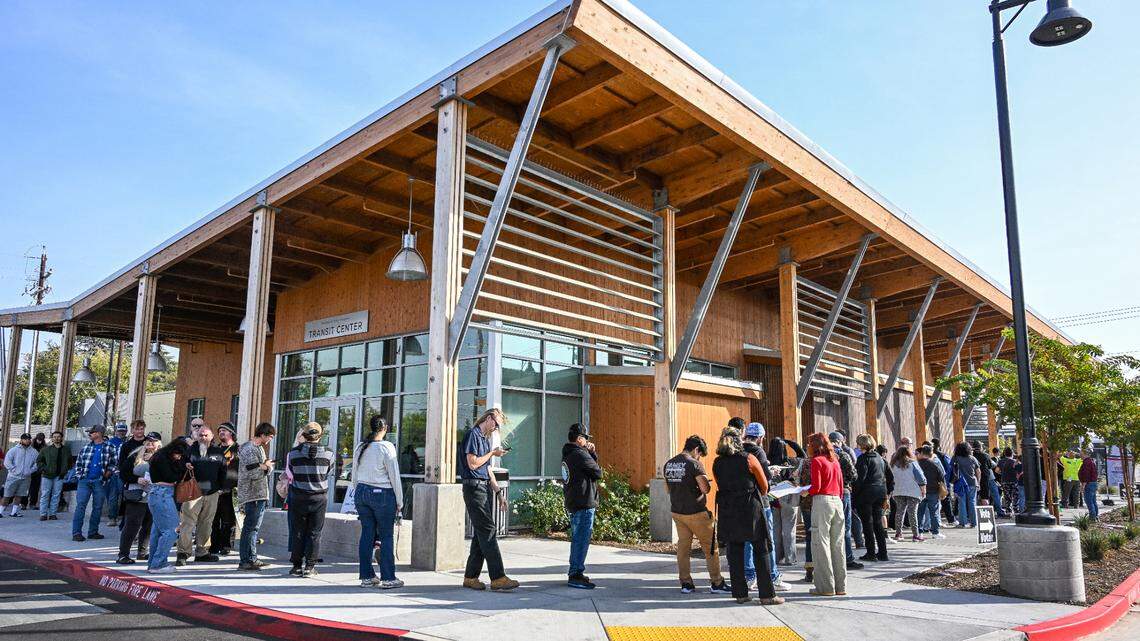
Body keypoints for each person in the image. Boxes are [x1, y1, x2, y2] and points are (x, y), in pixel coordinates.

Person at [712, 427, 783, 606]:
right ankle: (767, 595)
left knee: (734, 551)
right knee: (762, 549)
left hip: (728, 509)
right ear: (740, 441)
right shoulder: (749, 459)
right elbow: (764, 486)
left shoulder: (717, 462)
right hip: (750, 507)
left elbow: (721, 484)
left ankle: (740, 594)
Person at [459, 408, 519, 592]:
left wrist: (499, 493)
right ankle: (498, 577)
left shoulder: (484, 439)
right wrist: (492, 454)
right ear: (489, 418)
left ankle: (470, 577)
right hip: (473, 487)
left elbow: (487, 469)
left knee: (480, 533)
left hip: (482, 487)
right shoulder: (473, 434)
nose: (496, 429)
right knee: (488, 530)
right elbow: (473, 463)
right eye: (497, 424)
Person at [664, 435, 729, 594]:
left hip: (678, 512)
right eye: (700, 454)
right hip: (697, 513)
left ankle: (686, 583)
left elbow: (667, 489)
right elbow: (705, 489)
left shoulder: (669, 463)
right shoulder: (694, 464)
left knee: (683, 548)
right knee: (711, 548)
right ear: (696, 450)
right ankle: (717, 582)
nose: (699, 457)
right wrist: (704, 482)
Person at [352, 416, 403, 589]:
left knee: (367, 534)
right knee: (386, 535)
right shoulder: (387, 447)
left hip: (361, 492)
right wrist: (400, 500)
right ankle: (388, 578)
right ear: (385, 428)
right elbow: (394, 476)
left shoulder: (360, 447)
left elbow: (354, 474)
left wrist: (356, 492)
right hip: (382, 494)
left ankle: (367, 577)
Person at [738, 420, 789, 592]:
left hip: (743, 502)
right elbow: (764, 481)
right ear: (760, 437)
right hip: (761, 501)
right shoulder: (758, 452)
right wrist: (771, 472)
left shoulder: (739, 450)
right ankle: (773, 576)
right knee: (768, 541)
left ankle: (749, 576)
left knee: (747, 541)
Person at [286, 422, 333, 577]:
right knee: (314, 532)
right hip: (319, 497)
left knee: (298, 531)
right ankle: (310, 566)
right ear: (320, 436)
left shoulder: (293, 453)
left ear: (304, 436)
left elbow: (291, 472)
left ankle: (296, 566)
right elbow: (329, 472)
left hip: (299, 496)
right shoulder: (329, 454)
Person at [176, 422, 226, 566]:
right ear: (196, 436)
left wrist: (221, 488)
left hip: (212, 493)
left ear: (211, 436)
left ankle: (202, 552)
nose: (203, 437)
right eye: (200, 435)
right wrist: (184, 465)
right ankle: (183, 553)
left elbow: (223, 471)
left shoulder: (218, 452)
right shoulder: (189, 451)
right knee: (187, 523)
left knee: (206, 523)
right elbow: (180, 468)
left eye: (206, 435)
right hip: (192, 493)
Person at [805, 432, 846, 597]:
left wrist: (804, 492)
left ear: (814, 445)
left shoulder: (816, 461)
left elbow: (816, 487)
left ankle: (825, 587)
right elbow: (841, 486)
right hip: (837, 501)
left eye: (809, 444)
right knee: (838, 545)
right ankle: (840, 586)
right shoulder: (834, 460)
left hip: (822, 502)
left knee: (820, 545)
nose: (807, 446)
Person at [562, 423, 602, 589]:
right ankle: (575, 574)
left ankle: (576, 571)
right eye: (585, 438)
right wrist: (590, 452)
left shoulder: (568, 453)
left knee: (577, 539)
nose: (587, 441)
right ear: (579, 439)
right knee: (581, 540)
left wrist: (589, 452)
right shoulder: (580, 454)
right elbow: (597, 472)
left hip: (574, 501)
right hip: (584, 503)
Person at [145, 437, 190, 573]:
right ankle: (159, 563)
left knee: (158, 531)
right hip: (163, 493)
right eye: (179, 455)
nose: (179, 457)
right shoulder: (163, 459)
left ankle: (153, 562)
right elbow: (171, 477)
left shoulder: (160, 456)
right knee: (172, 530)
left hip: (158, 494)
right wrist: (183, 466)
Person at [236, 422, 276, 571]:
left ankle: (251, 558)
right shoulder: (249, 449)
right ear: (263, 434)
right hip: (252, 494)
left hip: (259, 493)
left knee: (253, 528)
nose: (270, 440)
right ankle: (246, 560)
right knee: (250, 528)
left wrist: (265, 466)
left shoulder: (258, 448)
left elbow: (261, 468)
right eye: (270, 436)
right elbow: (253, 473)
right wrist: (266, 467)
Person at [117, 432, 160, 564]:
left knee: (148, 525)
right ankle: (123, 554)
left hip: (153, 496)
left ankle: (142, 552)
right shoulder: (135, 455)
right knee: (132, 525)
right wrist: (136, 479)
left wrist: (153, 459)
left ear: (158, 444)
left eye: (153, 442)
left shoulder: (161, 457)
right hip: (136, 495)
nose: (150, 444)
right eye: (148, 441)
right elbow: (123, 473)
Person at [71, 426, 117, 541]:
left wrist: (109, 472)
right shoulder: (86, 447)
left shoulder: (110, 447)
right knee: (80, 506)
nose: (90, 434)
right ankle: (76, 533)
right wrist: (79, 475)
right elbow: (79, 462)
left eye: (92, 432)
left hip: (100, 481)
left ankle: (93, 531)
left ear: (99, 433)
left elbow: (114, 462)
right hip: (85, 480)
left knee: (97, 507)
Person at [828, 431, 862, 570]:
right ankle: (847, 558)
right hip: (844, 491)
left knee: (830, 528)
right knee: (845, 527)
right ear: (840, 441)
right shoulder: (843, 454)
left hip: (828, 493)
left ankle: (832, 558)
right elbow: (854, 475)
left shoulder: (821, 454)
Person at [853, 434, 889, 562]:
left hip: (867, 494)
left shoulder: (863, 459)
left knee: (867, 524)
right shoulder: (880, 458)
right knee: (878, 523)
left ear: (862, 445)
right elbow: (888, 475)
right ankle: (883, 553)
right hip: (880, 492)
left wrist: (854, 495)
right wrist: (888, 491)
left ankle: (871, 553)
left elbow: (860, 479)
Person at [769, 438, 803, 567]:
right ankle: (790, 558)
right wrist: (792, 443)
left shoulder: (767, 462)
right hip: (789, 497)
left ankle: (776, 557)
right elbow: (803, 456)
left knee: (775, 529)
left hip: (772, 498)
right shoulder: (791, 462)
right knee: (789, 529)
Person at [209, 423, 241, 556]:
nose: (221, 432)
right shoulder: (214, 449)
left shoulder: (238, 449)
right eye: (220, 430)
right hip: (215, 490)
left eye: (224, 430)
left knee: (228, 520)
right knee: (214, 520)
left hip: (231, 490)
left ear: (231, 433)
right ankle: (214, 546)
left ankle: (226, 545)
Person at [890, 446, 927, 542]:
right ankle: (915, 535)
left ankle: (898, 533)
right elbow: (921, 478)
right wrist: (923, 490)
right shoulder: (913, 463)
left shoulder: (893, 464)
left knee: (899, 512)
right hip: (912, 491)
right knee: (912, 513)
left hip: (898, 491)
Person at [1, 433, 37, 517]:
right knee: (7, 495)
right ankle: (0, 512)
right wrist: (13, 470)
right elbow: (7, 461)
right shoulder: (14, 450)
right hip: (13, 477)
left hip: (25, 477)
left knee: (19, 495)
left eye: (29, 439)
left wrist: (30, 470)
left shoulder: (34, 451)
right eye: (25, 439)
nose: (27, 440)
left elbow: (37, 463)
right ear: (21, 440)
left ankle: (14, 512)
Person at [36, 431, 68, 521]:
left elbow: (69, 461)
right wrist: (44, 469)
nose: (56, 438)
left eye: (58, 437)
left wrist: (65, 470)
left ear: (61, 438)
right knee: (45, 494)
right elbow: (39, 461)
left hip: (59, 476)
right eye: (54, 437)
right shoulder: (46, 449)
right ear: (52, 438)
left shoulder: (66, 450)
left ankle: (53, 514)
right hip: (47, 475)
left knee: (56, 495)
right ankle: (43, 514)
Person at [916, 446, 946, 540]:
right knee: (934, 512)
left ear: (922, 453)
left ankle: (919, 532)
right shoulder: (934, 464)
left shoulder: (916, 464)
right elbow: (941, 477)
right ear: (931, 453)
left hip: (919, 491)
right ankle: (935, 532)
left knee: (919, 512)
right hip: (933, 491)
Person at [951, 442, 981, 527]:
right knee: (972, 502)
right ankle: (974, 523)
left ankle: (962, 523)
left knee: (962, 503)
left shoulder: (955, 458)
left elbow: (951, 469)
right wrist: (978, 482)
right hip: (972, 483)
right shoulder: (972, 458)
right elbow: (978, 471)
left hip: (960, 484)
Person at [104, 424, 128, 527]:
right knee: (113, 496)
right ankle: (112, 517)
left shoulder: (128, 442)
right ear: (116, 431)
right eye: (120, 431)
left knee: (126, 496)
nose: (122, 432)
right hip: (113, 473)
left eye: (123, 431)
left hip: (126, 472)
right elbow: (106, 458)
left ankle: (125, 518)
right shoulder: (110, 442)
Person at [973, 441, 1003, 516]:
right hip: (987, 478)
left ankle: (975, 515)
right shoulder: (985, 455)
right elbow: (991, 465)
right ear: (980, 447)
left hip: (975, 478)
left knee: (975, 497)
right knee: (994, 494)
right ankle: (997, 512)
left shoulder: (972, 456)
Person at [996, 448, 1021, 514]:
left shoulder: (1001, 461)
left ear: (1004, 454)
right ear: (1012, 454)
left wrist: (1002, 473)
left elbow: (997, 470)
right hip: (1014, 480)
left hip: (1004, 480)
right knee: (1015, 495)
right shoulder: (1015, 461)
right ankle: (1016, 508)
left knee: (1007, 496)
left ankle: (1008, 510)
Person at [1079, 450, 1099, 521]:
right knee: (1093, 501)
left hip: (1088, 484)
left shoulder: (1086, 462)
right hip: (1093, 483)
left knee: (1089, 501)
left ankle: (1092, 518)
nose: (1079, 455)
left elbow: (1086, 474)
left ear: (1085, 454)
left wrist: (1083, 485)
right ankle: (1096, 516)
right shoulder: (1091, 461)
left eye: (1081, 453)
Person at [28, 432, 46, 510]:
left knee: (35, 487)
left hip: (38, 469)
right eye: (39, 439)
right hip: (28, 468)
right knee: (27, 487)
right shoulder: (30, 446)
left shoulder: (44, 447)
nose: (40, 441)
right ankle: (23, 503)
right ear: (36, 438)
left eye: (41, 440)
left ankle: (32, 503)